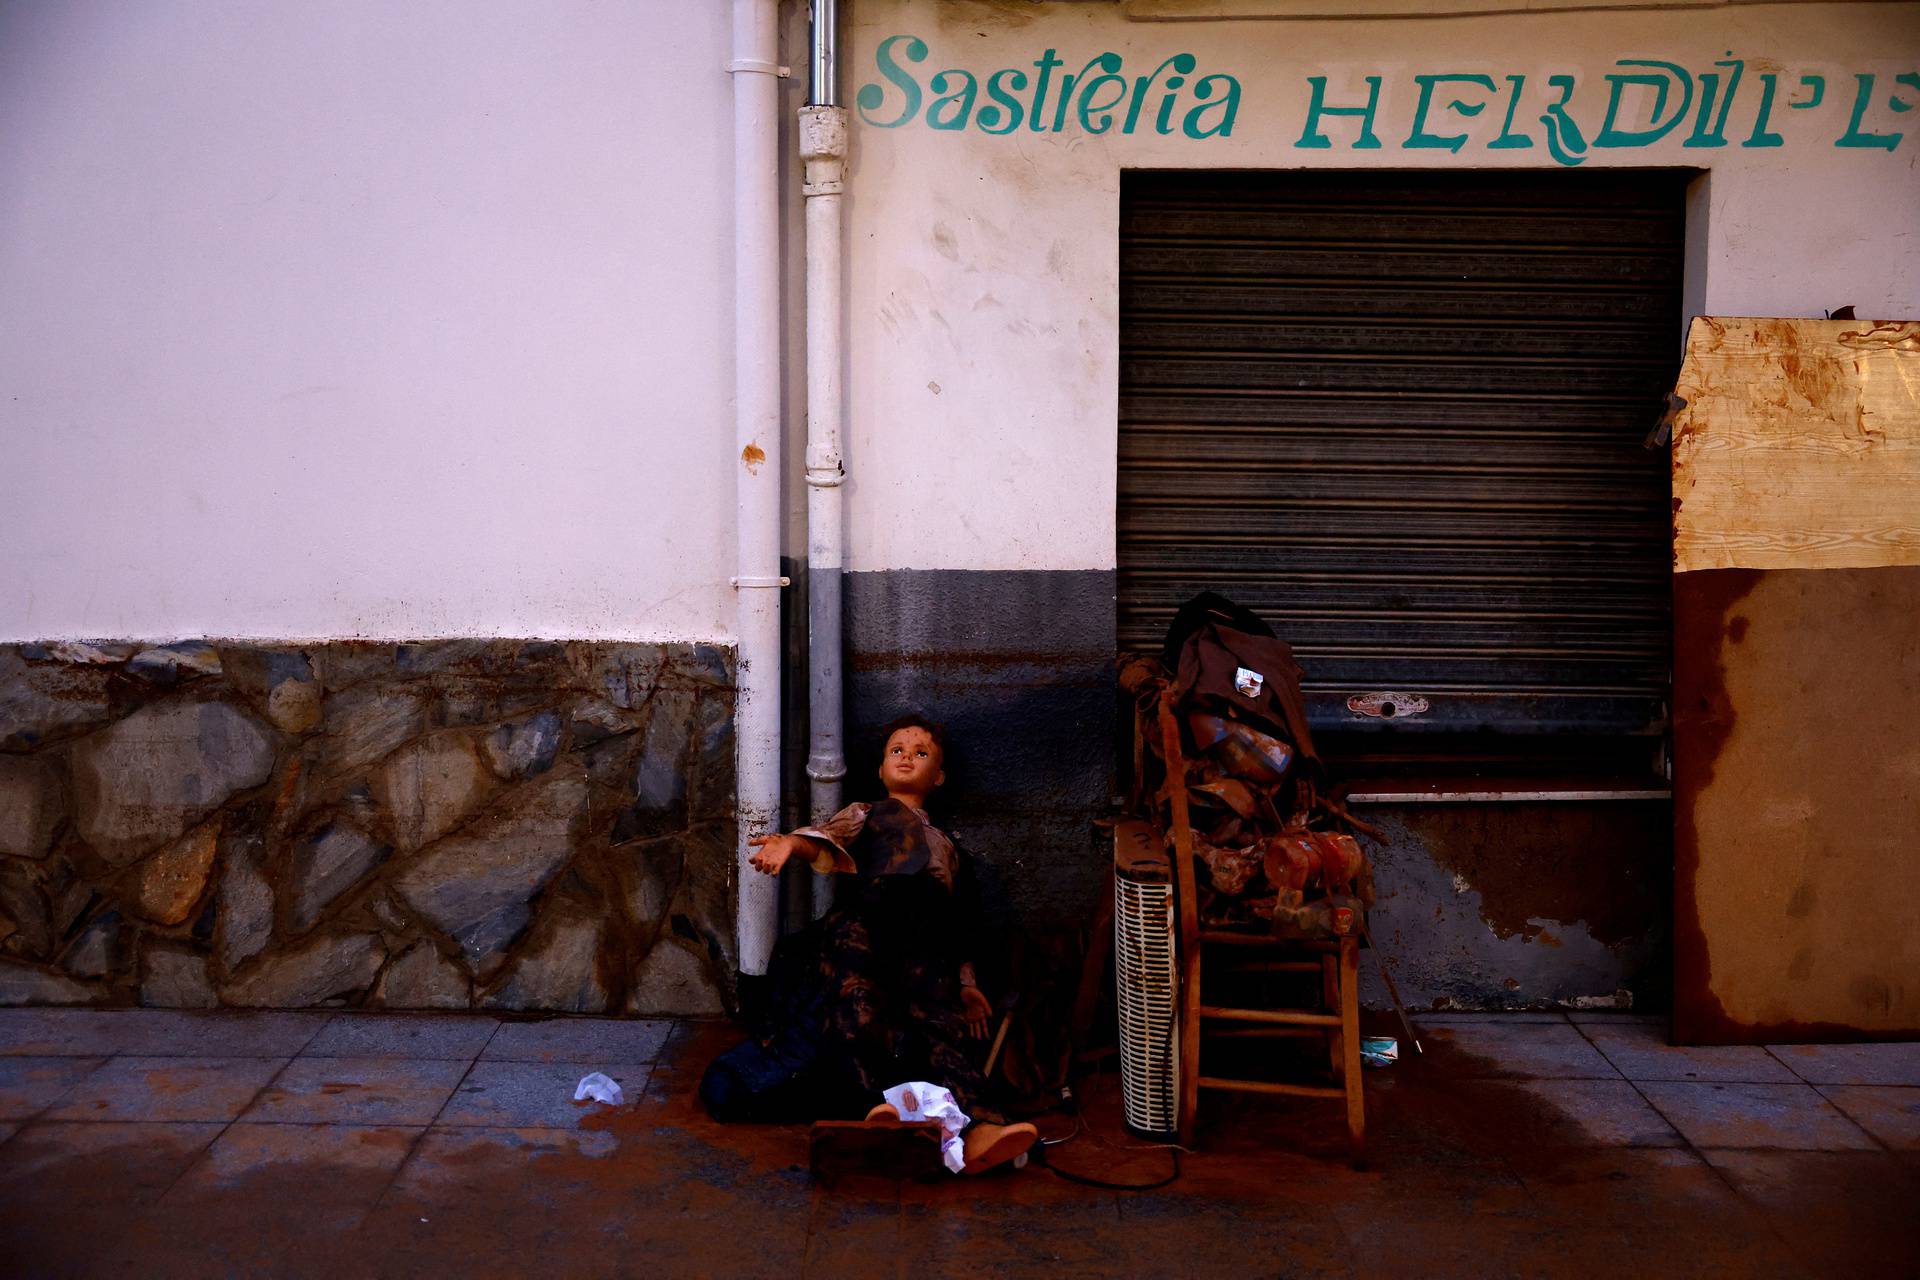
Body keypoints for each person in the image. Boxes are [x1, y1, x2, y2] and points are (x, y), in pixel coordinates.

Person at [740, 714, 1038, 1174]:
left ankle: (980, 1129)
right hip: (867, 926)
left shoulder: (948, 846)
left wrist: (967, 984)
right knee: (859, 1011)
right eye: (897, 750)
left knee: (942, 1032)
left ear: (937, 778)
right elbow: (824, 840)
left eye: (921, 754)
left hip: (924, 944)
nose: (906, 757)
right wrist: (787, 844)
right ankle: (879, 1109)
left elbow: (960, 924)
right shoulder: (868, 812)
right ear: (880, 769)